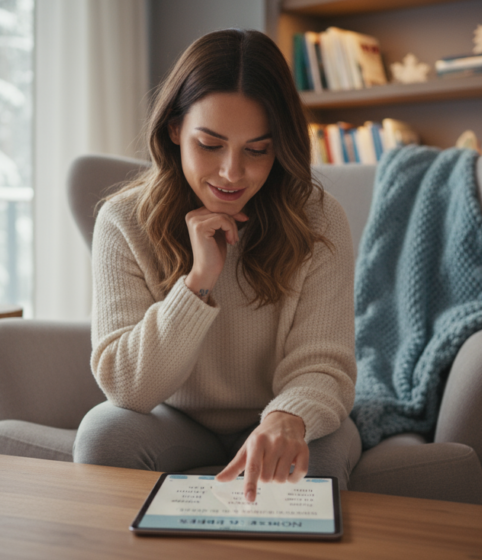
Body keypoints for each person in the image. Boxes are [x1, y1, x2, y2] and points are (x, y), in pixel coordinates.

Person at [73, 29, 359, 502]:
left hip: (286, 411)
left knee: (314, 462)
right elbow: (126, 387)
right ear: (174, 129)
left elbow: (323, 362)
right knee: (105, 434)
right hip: (175, 420)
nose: (231, 172)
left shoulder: (320, 219)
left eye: (257, 149)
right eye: (210, 144)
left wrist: (288, 417)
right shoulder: (123, 221)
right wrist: (198, 282)